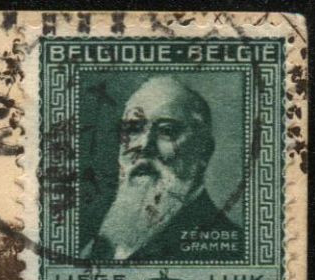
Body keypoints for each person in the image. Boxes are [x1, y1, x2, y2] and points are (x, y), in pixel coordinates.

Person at [83, 76, 242, 262]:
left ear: (203, 151)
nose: (144, 145)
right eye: (133, 129)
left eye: (167, 131)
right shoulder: (95, 236)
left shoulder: (233, 248)